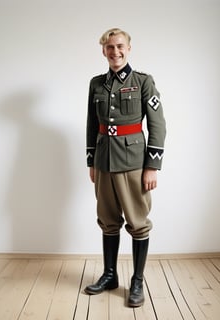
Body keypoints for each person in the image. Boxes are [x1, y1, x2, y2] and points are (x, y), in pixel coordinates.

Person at [85, 28, 166, 308]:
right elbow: (92, 125)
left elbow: (157, 125)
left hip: (133, 163)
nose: (115, 52)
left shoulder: (143, 81)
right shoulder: (96, 84)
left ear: (129, 48)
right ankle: (110, 276)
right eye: (109, 47)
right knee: (107, 219)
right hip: (104, 161)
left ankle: (137, 281)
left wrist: (152, 166)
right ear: (103, 50)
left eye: (120, 46)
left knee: (138, 222)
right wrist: (91, 160)